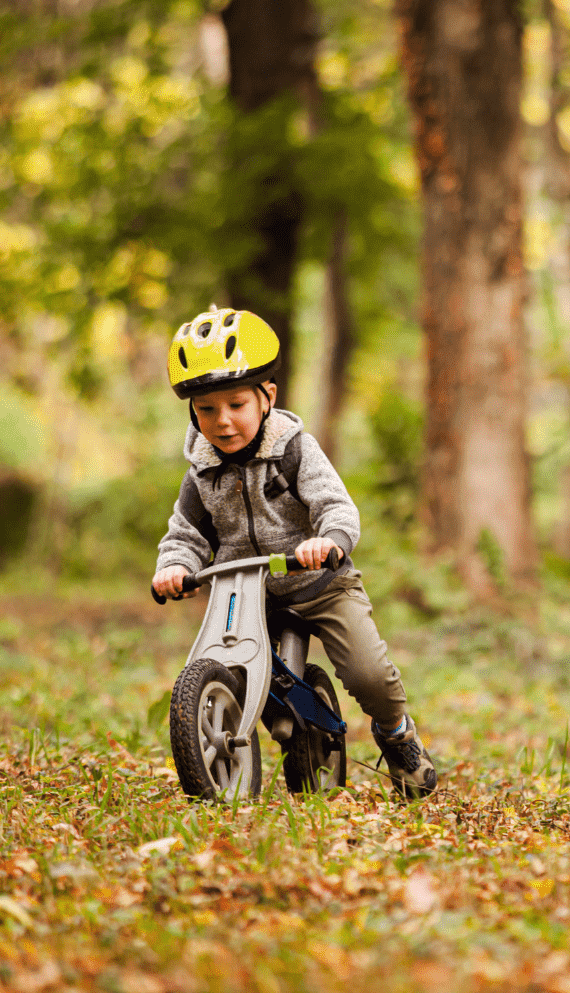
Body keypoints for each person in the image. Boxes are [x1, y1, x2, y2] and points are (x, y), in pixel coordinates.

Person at [151, 305, 436, 799]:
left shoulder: (294, 450)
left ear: (267, 397)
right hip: (248, 591)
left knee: (370, 674)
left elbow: (336, 505)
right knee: (229, 659)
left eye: (236, 404)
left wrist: (329, 542)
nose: (222, 422)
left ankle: (397, 734)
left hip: (318, 582)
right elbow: (186, 534)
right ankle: (255, 733)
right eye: (206, 410)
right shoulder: (201, 472)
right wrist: (176, 565)